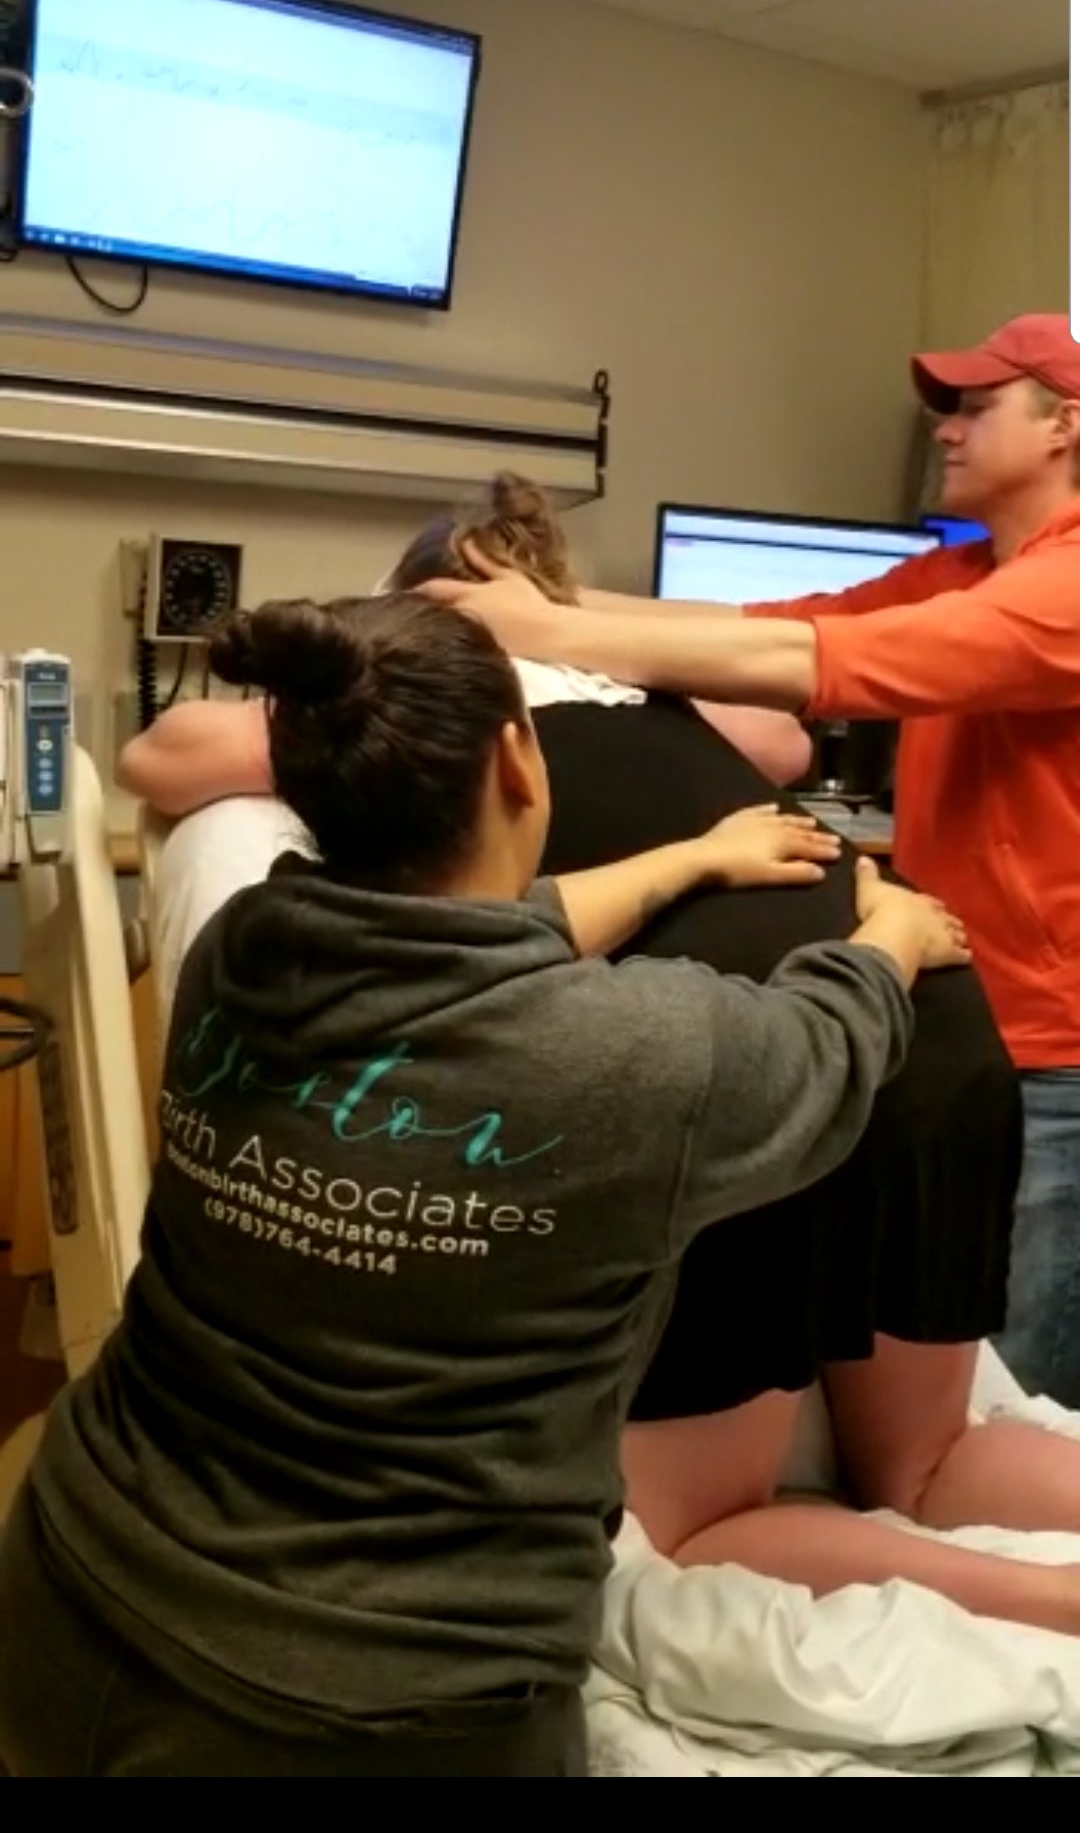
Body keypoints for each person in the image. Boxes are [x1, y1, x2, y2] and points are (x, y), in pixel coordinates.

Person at [0, 592, 944, 1780]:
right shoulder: (642, 1060)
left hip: (65, 1594)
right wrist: (892, 936)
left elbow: (476, 940)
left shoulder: (246, 948)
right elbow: (831, 1041)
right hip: (365, 1715)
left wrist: (689, 861)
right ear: (517, 759)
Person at [118, 484, 1080, 1635]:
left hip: (767, 1037)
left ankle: (1054, 1602)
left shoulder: (437, 732)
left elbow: (163, 757)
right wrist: (608, 651)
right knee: (930, 1463)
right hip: (940, 1015)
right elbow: (782, 736)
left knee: (700, 1524)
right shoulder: (660, 698)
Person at [425, 324, 1080, 1411]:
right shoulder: (970, 572)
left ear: (1065, 425)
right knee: (933, 1381)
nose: (943, 429)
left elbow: (814, 661)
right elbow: (771, 620)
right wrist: (545, 602)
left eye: (976, 407)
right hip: (956, 1006)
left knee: (1025, 1393)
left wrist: (546, 631)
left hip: (1054, 1050)